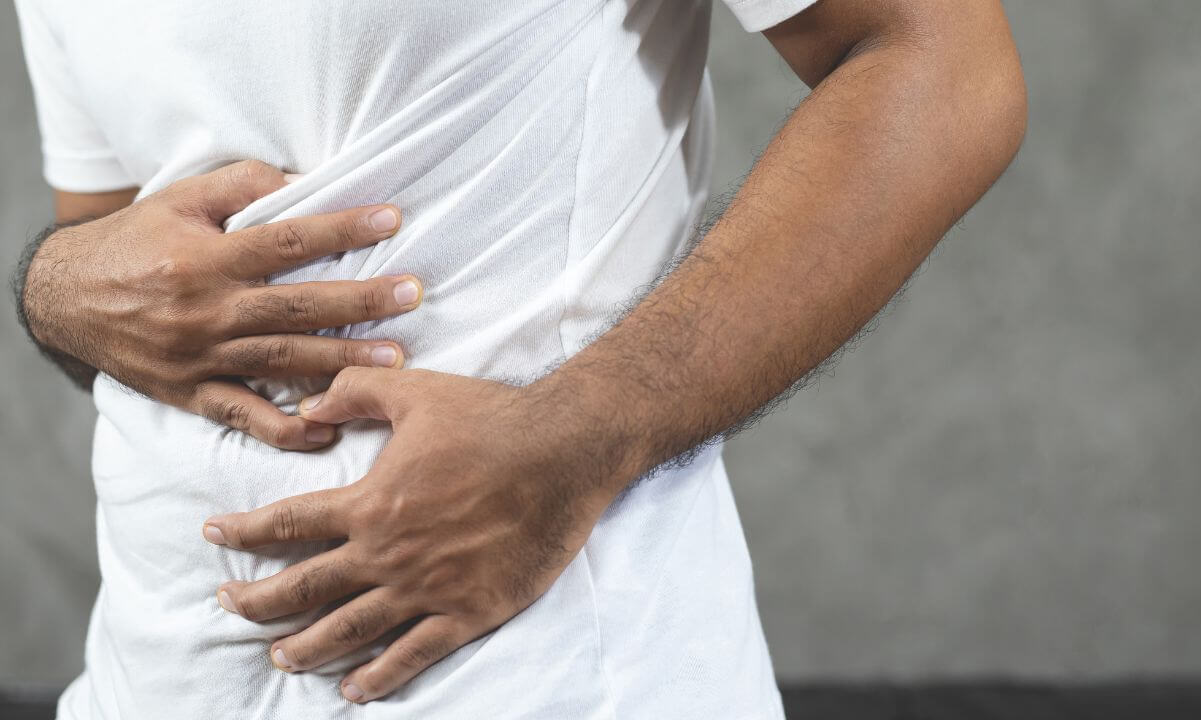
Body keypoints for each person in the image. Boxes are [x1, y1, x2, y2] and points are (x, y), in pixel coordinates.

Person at [13, 0, 1026, 717]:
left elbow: (943, 66)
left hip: (548, 671)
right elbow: (130, 269)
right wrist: (51, 288)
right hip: (157, 671)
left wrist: (573, 437)